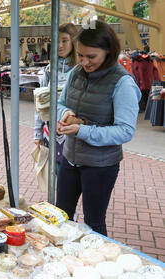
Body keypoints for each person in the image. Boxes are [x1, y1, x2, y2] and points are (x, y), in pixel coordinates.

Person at [56, 20, 141, 236]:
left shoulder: (122, 83)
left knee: (93, 221)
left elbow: (125, 130)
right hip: (70, 157)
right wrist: (65, 114)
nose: (84, 62)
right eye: (81, 55)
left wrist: (82, 130)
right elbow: (60, 103)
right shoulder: (75, 73)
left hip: (100, 165)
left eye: (91, 57)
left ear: (109, 51)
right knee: (61, 215)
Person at [34, 23, 78, 174]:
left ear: (74, 41)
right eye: (56, 41)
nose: (60, 45)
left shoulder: (81, 69)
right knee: (56, 178)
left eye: (64, 40)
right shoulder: (48, 70)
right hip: (51, 133)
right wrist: (37, 133)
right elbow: (39, 104)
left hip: (74, 133)